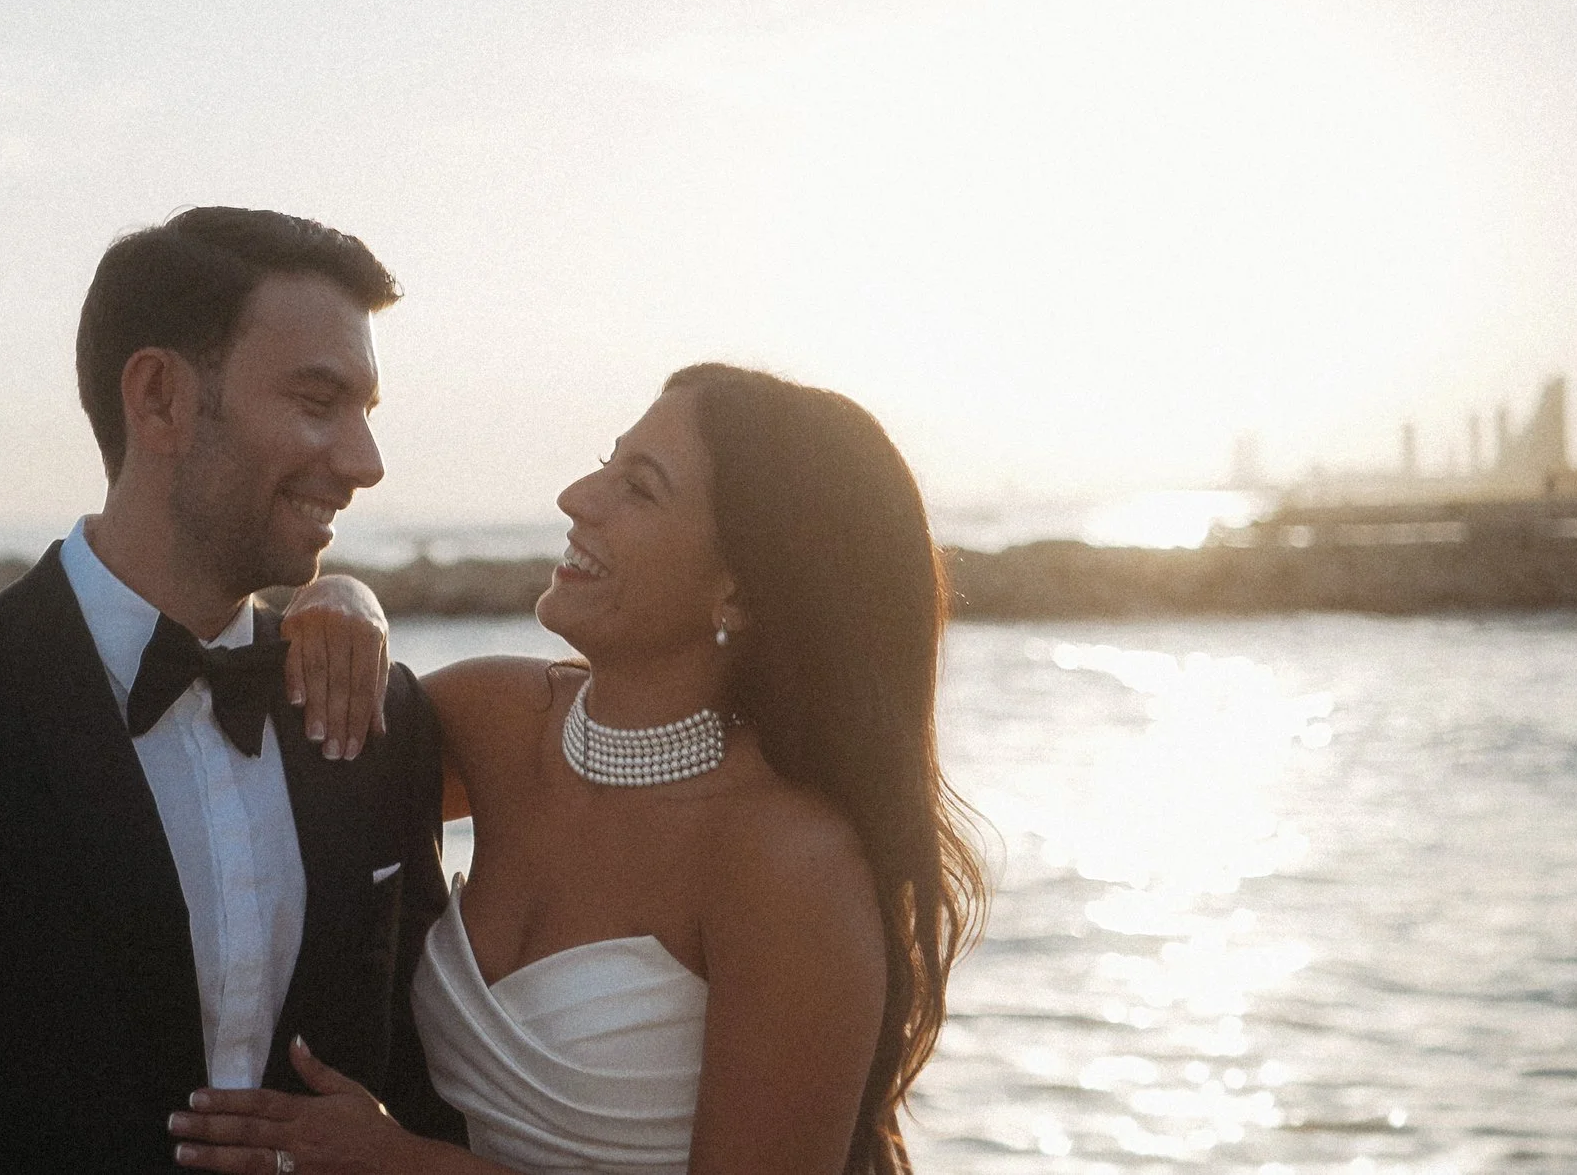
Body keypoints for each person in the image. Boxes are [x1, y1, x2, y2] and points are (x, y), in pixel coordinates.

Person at [0, 208, 463, 1172]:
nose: (366, 463)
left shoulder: (373, 715)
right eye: (318, 401)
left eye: (367, 413)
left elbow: (417, 1095)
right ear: (160, 397)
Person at [168, 364, 987, 1175]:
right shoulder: (500, 719)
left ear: (738, 589)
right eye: (607, 461)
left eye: (639, 488)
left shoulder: (789, 860)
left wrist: (397, 1166)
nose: (576, 497)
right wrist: (343, 599)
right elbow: (296, 762)